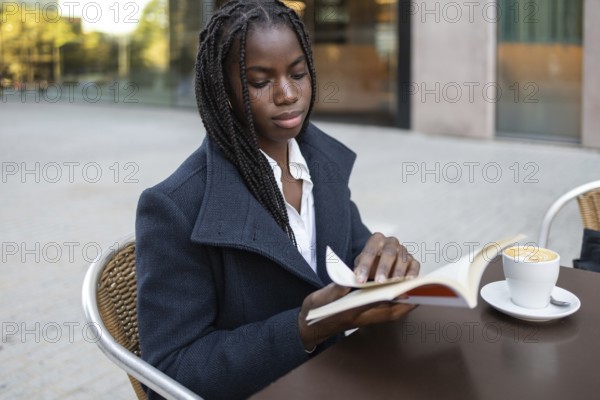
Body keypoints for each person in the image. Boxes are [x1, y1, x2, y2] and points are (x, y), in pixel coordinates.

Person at [135, 1, 420, 399]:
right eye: (259, 81)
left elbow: (355, 258)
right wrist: (303, 328)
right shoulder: (174, 207)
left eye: (298, 74)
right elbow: (171, 372)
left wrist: (385, 260)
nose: (288, 94)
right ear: (223, 90)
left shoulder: (324, 165)